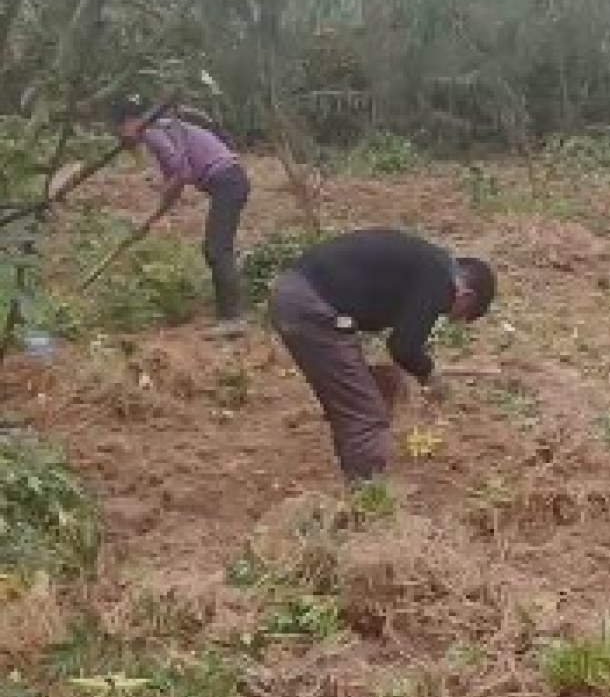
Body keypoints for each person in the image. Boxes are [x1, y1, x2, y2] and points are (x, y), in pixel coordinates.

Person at [270, 227, 497, 484]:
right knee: (367, 415)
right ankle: (369, 499)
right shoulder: (439, 280)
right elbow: (403, 347)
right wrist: (430, 376)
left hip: (299, 295)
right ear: (467, 297)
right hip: (310, 308)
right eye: (460, 315)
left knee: (378, 387)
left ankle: (359, 455)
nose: (448, 317)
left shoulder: (427, 264)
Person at [110, 99, 250, 333]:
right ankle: (229, 316)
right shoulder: (165, 130)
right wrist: (151, 219)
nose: (121, 138)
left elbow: (180, 175)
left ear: (129, 122)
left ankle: (233, 319)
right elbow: (175, 182)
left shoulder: (154, 131)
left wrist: (161, 197)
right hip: (231, 180)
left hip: (227, 181)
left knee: (217, 249)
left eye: (119, 130)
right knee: (216, 248)